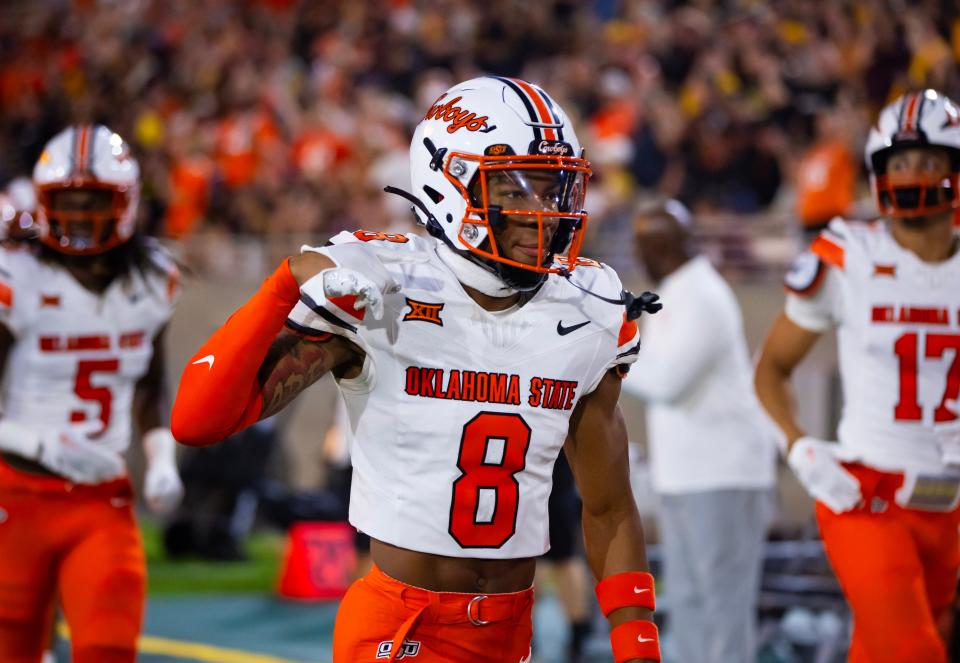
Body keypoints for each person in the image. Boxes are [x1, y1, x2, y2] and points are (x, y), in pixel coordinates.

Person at [172, 76, 662, 663]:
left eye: (553, 188)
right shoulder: (387, 282)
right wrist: (282, 286)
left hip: (512, 631)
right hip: (402, 627)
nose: (546, 214)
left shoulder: (587, 308)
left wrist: (638, 643)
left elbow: (609, 505)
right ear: (449, 182)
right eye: (515, 187)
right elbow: (199, 420)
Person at [755, 89, 960, 663]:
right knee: (914, 652)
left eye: (926, 160)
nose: (911, 173)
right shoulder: (849, 257)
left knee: (883, 647)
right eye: (898, 162)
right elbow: (771, 369)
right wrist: (800, 450)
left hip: (947, 504)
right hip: (865, 495)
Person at [0, 124, 184, 663]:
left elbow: (150, 385)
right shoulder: (20, 274)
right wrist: (37, 442)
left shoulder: (152, 279)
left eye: (93, 201)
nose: (79, 215)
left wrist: (161, 460)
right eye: (67, 202)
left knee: (108, 646)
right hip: (15, 495)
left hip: (101, 497)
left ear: (124, 203)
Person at [621, 199, 777, 663]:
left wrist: (617, 352)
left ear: (657, 250)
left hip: (725, 475)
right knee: (687, 605)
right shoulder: (674, 292)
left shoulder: (704, 295)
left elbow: (667, 382)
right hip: (683, 476)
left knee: (723, 609)